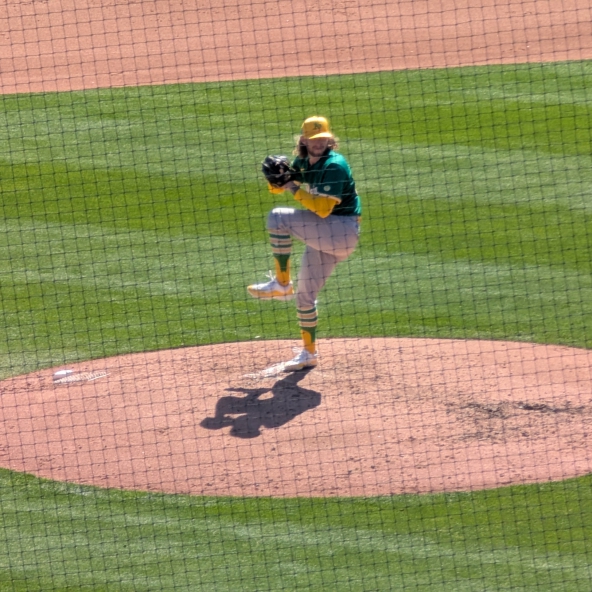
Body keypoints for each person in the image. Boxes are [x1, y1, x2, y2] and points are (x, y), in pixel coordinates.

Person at [247, 116, 362, 371]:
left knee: (278, 217)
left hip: (341, 230)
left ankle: (281, 283)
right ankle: (309, 354)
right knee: (305, 298)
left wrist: (290, 185)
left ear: (330, 140)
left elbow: (321, 210)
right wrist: (275, 178)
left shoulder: (334, 165)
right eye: (314, 138)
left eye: (323, 138)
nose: (319, 142)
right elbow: (279, 188)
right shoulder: (303, 161)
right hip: (327, 236)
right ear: (304, 140)